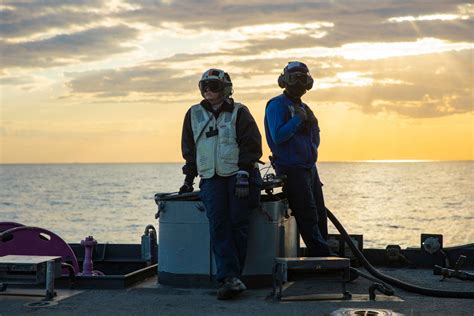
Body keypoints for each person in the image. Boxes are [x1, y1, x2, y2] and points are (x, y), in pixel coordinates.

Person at [179, 68, 263, 300]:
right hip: (212, 179)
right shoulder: (193, 114)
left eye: (213, 86)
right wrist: (188, 179)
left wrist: (244, 172)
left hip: (239, 177)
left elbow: (252, 145)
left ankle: (232, 277)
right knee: (219, 225)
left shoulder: (240, 112)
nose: (208, 90)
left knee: (238, 224)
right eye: (203, 86)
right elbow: (190, 149)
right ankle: (230, 278)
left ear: (226, 89)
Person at [264, 61, 331, 257]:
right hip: (291, 169)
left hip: (309, 168)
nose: (299, 83)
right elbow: (278, 136)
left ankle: (323, 258)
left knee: (319, 214)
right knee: (307, 214)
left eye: (303, 78)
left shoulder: (304, 107)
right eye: (295, 78)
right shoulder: (277, 105)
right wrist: (297, 120)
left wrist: (311, 126)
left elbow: (315, 137)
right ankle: (323, 258)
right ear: (285, 81)